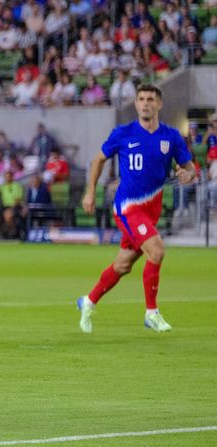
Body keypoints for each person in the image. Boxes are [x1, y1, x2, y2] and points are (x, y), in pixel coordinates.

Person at [77, 85, 196, 334]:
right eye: (141, 99)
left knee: (123, 265)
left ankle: (88, 301)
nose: (145, 103)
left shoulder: (171, 137)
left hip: (150, 211)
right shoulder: (123, 133)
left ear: (159, 104)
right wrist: (90, 191)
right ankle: (151, 313)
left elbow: (190, 167)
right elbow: (98, 159)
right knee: (157, 251)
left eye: (150, 99)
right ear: (136, 103)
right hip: (127, 208)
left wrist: (187, 174)